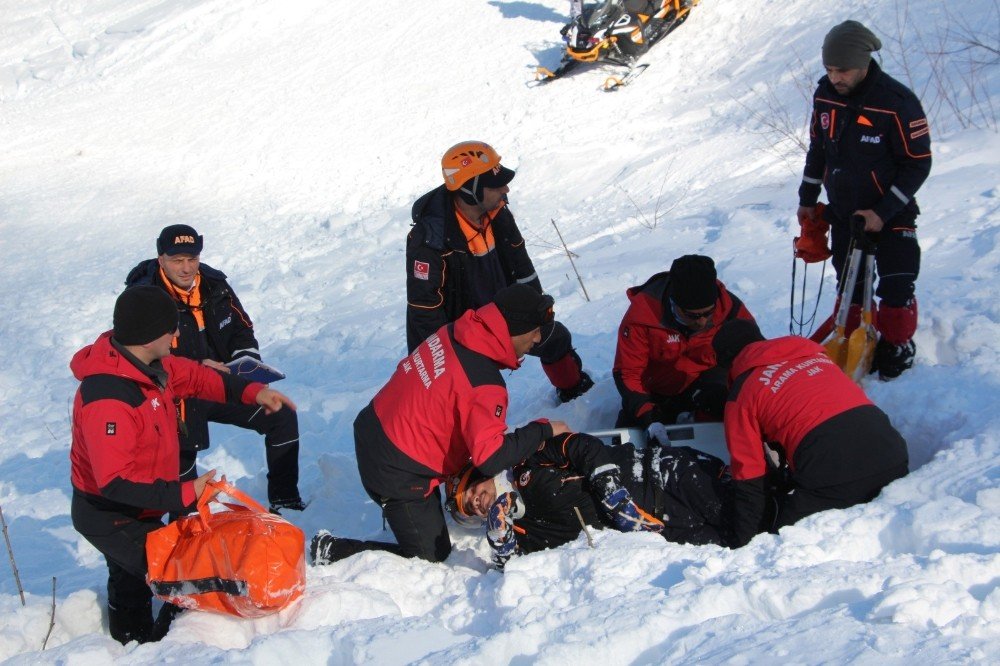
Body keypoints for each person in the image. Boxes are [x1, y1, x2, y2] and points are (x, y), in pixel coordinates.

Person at [70, 286, 296, 644]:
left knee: (134, 576)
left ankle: (131, 640)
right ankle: (152, 645)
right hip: (109, 513)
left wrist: (251, 391)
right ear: (148, 337)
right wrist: (186, 492)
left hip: (144, 503)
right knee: (175, 570)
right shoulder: (109, 400)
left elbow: (197, 377)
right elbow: (115, 482)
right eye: (171, 329)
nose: (177, 335)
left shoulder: (148, 365)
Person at [352, 284, 571, 562]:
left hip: (373, 425)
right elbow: (490, 458)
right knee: (429, 556)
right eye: (535, 330)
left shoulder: (458, 331)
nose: (538, 339)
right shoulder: (484, 384)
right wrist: (543, 429)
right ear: (514, 328)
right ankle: (332, 550)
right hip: (394, 468)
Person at [126, 225, 303, 513]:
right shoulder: (143, 297)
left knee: (280, 413)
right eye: (177, 260)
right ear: (161, 260)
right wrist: (196, 367)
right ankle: (186, 526)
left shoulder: (214, 284)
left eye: (192, 259)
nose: (186, 268)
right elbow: (139, 356)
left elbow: (242, 329)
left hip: (221, 382)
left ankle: (285, 501)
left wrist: (246, 365)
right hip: (176, 394)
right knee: (183, 461)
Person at [406, 141, 593, 403]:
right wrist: (448, 359)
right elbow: (424, 310)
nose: (505, 188)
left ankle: (575, 392)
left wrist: (536, 313)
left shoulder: (498, 212)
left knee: (555, 337)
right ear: (470, 190)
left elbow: (522, 268)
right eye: (495, 184)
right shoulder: (429, 240)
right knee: (467, 394)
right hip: (458, 334)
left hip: (499, 313)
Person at [797, 20, 931, 380]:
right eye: (828, 69)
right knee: (850, 286)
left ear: (864, 63)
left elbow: (918, 164)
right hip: (845, 213)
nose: (834, 77)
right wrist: (807, 197)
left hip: (892, 212)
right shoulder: (825, 95)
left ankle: (897, 344)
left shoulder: (898, 103)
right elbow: (818, 148)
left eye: (842, 70)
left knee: (897, 284)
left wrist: (882, 211)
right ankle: (853, 339)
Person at [712, 319, 909, 548]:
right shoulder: (816, 357)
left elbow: (749, 477)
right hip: (893, 455)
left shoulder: (743, 392)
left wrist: (745, 542)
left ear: (728, 362)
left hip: (834, 472)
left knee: (782, 540)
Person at [445, 431, 733, 570]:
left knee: (748, 513)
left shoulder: (526, 462)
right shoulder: (521, 533)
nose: (477, 502)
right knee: (740, 545)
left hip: (663, 474)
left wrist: (610, 489)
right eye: (471, 508)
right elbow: (529, 576)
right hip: (664, 530)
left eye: (472, 492)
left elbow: (581, 446)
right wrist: (504, 553)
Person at [613, 254, 756, 428]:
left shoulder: (731, 311)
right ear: (674, 304)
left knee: (728, 411)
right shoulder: (642, 316)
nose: (702, 322)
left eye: (708, 313)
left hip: (708, 384)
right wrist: (644, 411)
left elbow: (754, 357)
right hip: (656, 391)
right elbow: (628, 372)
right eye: (692, 316)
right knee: (633, 434)